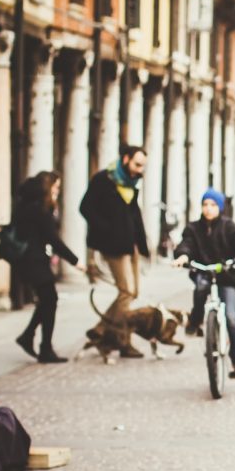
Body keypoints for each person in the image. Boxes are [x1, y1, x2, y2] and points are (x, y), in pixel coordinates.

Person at [172, 189, 235, 378]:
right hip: (203, 271)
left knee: (231, 317)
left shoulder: (229, 226)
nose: (208, 209)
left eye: (213, 205)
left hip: (226, 275)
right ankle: (195, 320)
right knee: (201, 288)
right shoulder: (193, 228)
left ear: (220, 207)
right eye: (205, 205)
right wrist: (182, 256)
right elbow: (186, 244)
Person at [80, 145, 148, 357]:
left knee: (132, 293)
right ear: (125, 159)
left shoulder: (131, 184)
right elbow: (86, 208)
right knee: (126, 292)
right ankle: (121, 340)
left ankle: (101, 330)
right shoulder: (104, 179)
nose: (140, 170)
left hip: (130, 244)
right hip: (113, 246)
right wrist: (107, 230)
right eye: (137, 164)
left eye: (143, 166)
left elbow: (134, 214)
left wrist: (142, 244)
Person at [13, 172, 86, 363]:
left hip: (30, 260)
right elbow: (53, 239)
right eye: (56, 187)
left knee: (48, 300)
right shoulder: (40, 209)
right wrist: (75, 261)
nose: (57, 191)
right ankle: (44, 347)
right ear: (47, 187)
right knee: (49, 299)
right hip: (35, 261)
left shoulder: (26, 204)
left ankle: (30, 337)